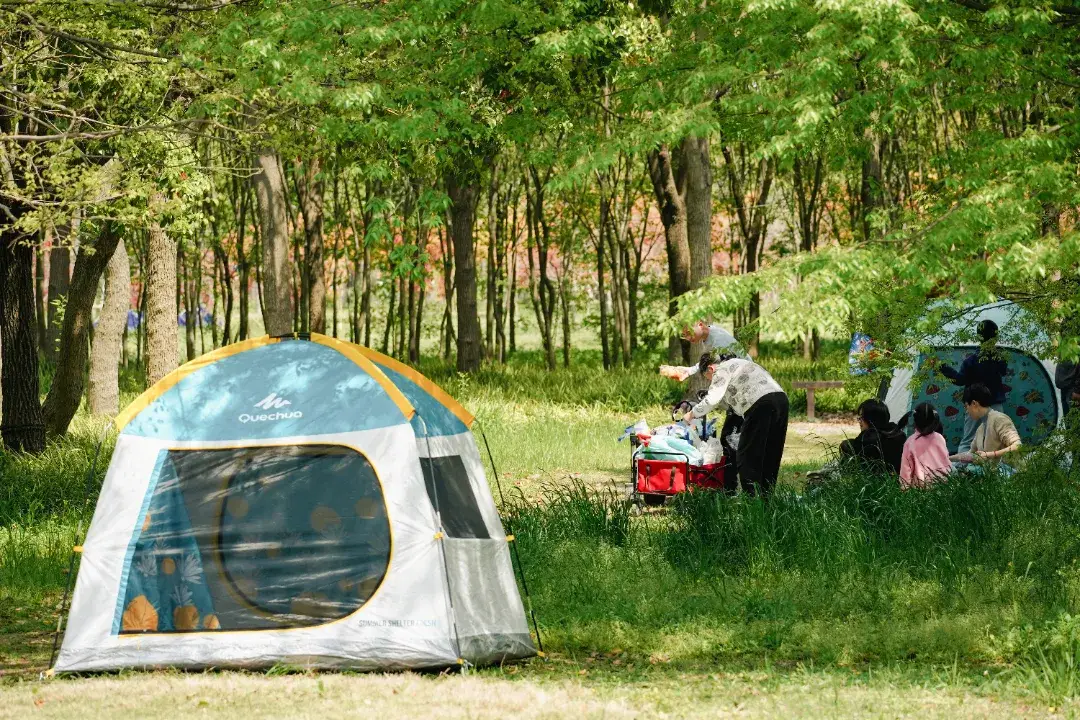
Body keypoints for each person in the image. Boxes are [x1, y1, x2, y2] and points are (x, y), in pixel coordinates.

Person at [684, 352, 789, 497]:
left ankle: (751, 500)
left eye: (707, 378)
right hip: (781, 399)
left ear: (710, 369)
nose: (710, 382)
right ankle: (766, 498)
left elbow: (712, 399)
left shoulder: (721, 370)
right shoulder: (738, 364)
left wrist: (691, 414)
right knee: (770, 452)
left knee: (747, 455)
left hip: (759, 403)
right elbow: (729, 400)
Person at [938, 319, 1008, 453]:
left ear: (978, 336)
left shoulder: (970, 361)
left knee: (968, 440)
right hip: (995, 403)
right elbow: (1003, 370)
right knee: (999, 439)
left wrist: (943, 368)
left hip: (974, 404)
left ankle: (962, 469)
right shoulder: (999, 358)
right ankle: (997, 471)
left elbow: (960, 380)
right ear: (996, 336)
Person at [950, 384, 1022, 467]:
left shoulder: (999, 419)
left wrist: (989, 454)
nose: (967, 411)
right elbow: (971, 455)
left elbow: (1017, 446)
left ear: (974, 403)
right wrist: (948, 458)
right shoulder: (980, 428)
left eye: (966, 406)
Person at [838, 399, 905, 475]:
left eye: (861, 417)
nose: (859, 421)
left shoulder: (868, 438)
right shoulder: (898, 433)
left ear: (870, 419)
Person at [899, 403, 952, 488]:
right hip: (944, 486)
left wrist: (904, 490)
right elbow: (946, 461)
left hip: (922, 490)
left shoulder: (910, 442)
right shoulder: (940, 438)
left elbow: (905, 474)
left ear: (915, 420)